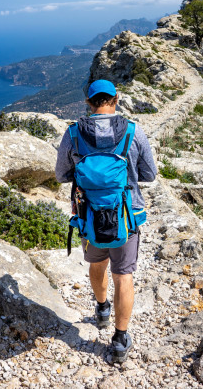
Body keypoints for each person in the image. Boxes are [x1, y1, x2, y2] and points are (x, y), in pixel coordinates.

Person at [55, 79, 157, 362]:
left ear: (89, 103)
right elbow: (149, 174)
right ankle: (121, 339)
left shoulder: (73, 134)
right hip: (126, 218)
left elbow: (61, 175)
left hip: (88, 217)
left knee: (97, 265)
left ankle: (102, 309)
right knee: (123, 275)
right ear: (116, 100)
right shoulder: (134, 133)